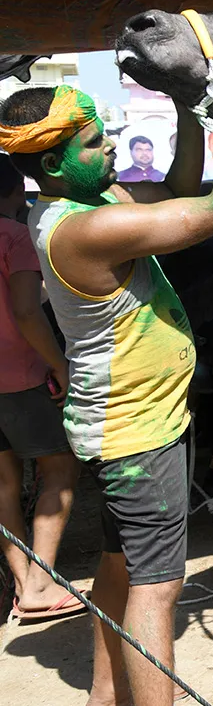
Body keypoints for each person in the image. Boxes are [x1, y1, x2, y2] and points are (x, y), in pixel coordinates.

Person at [0, 42, 213, 706]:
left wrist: (189, 108)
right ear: (52, 163)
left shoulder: (88, 201)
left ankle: (105, 703)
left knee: (120, 568)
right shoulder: (85, 229)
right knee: (158, 590)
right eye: (96, 142)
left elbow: (183, 184)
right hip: (138, 435)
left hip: (129, 423)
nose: (110, 149)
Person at [0, 155, 83, 625]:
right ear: (15, 193)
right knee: (60, 470)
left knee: (4, 484)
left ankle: (23, 584)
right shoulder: (14, 236)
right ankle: (38, 583)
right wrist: (60, 365)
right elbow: (29, 314)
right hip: (20, 375)